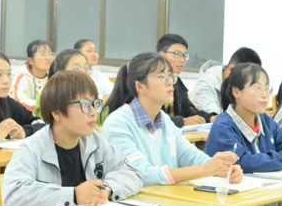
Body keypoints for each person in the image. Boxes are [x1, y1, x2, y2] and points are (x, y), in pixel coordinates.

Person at [0, 71, 142, 206]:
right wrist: (74, 195)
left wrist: (107, 189)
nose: (93, 112)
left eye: (95, 103)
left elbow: (131, 172)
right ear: (57, 113)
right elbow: (13, 194)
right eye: (84, 105)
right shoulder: (30, 149)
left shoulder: (94, 141)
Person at [102, 52, 242, 186]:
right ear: (140, 86)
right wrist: (206, 169)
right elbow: (140, 174)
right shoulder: (118, 123)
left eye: (170, 76)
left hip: (165, 197)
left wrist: (221, 168)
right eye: (162, 76)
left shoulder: (163, 119)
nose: (170, 82)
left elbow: (189, 154)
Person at [205, 63, 282, 173]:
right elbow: (242, 161)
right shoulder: (223, 125)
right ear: (236, 92)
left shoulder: (265, 120)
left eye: (267, 88)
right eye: (258, 88)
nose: (265, 95)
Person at [156, 34, 215, 127]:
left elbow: (189, 110)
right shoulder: (151, 82)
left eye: (184, 56)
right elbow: (151, 120)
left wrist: (210, 117)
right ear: (161, 55)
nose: (182, 60)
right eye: (177, 54)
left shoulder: (176, 81)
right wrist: (182, 122)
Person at [192, 47, 261, 115]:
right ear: (231, 69)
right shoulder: (205, 85)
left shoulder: (230, 77)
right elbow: (217, 117)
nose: (245, 83)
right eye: (244, 79)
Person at [33, 49, 91, 120]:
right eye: (77, 69)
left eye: (87, 68)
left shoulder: (92, 97)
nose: (84, 73)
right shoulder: (48, 97)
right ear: (60, 74)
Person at [10, 40, 53, 109]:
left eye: (50, 53)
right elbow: (19, 101)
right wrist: (45, 105)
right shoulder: (21, 76)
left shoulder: (53, 75)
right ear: (31, 60)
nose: (48, 58)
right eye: (43, 54)